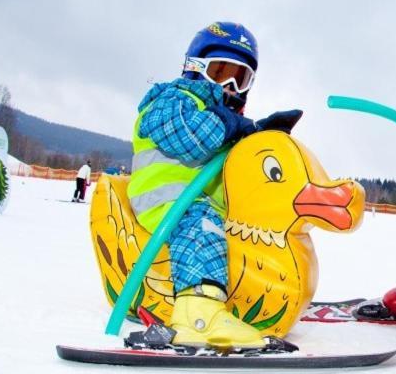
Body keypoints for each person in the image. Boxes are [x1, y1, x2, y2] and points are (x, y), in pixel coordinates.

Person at [126, 21, 302, 349]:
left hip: (200, 209)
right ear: (194, 68)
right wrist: (239, 126)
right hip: (167, 204)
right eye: (221, 73)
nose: (232, 86)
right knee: (203, 224)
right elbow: (188, 135)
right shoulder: (170, 100)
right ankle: (199, 314)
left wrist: (260, 138)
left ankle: (238, 300)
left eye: (242, 77)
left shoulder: (220, 121)